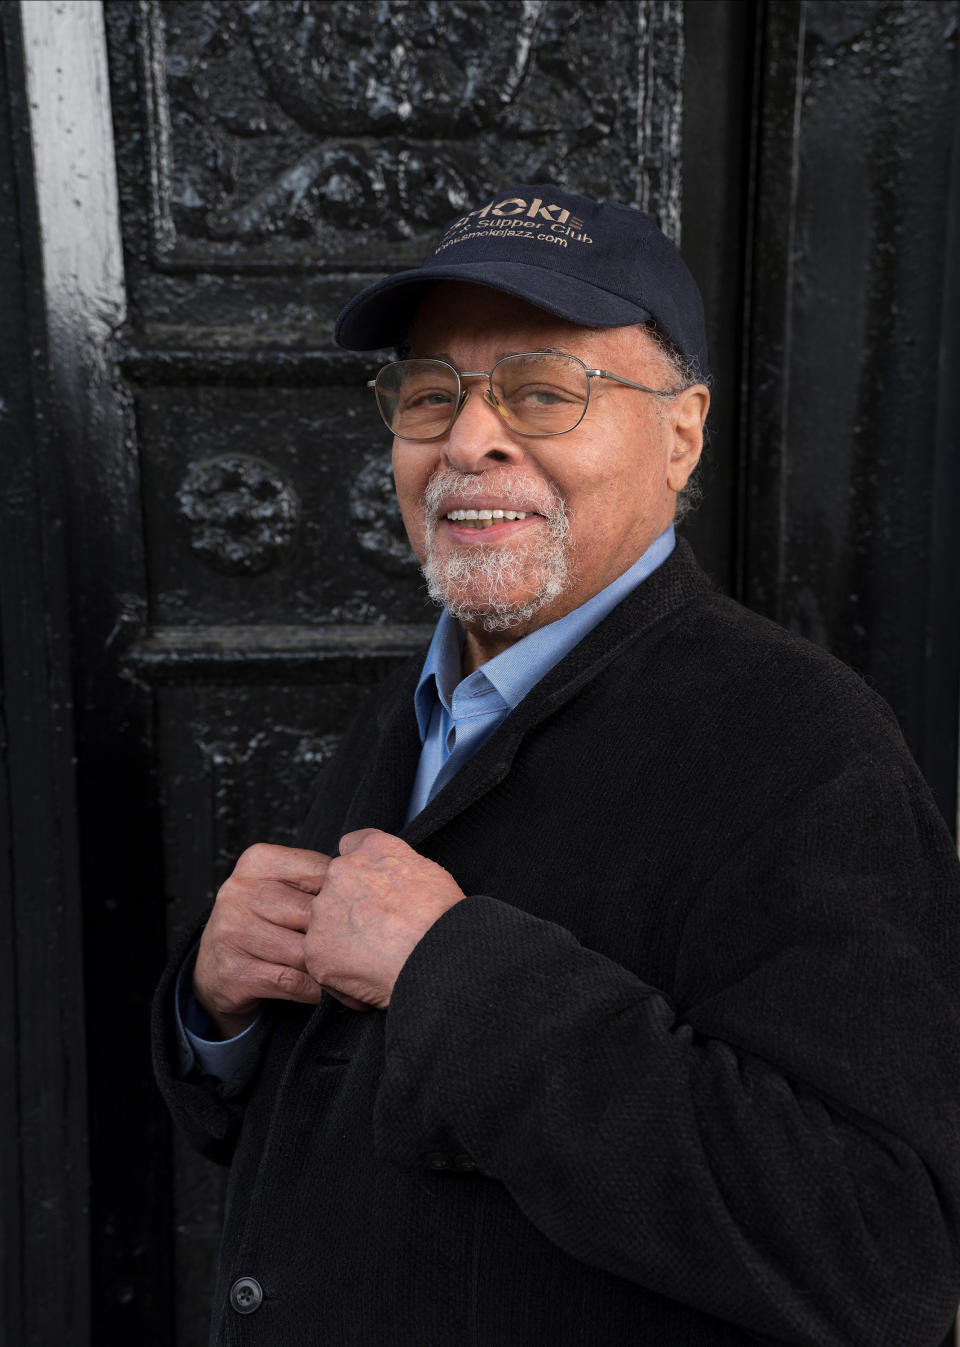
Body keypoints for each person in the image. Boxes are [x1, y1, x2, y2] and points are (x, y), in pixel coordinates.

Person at [153, 184, 960, 1347]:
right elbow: (322, 1108)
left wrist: (452, 975)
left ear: (681, 434)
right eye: (431, 394)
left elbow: (880, 1256)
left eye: (542, 390)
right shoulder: (410, 705)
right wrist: (213, 1007)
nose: (468, 436)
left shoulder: (810, 749)